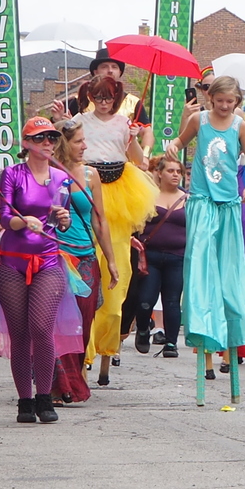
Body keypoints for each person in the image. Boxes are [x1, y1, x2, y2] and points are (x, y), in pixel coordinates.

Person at [0, 117, 84, 424]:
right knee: (19, 333)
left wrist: (63, 219)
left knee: (41, 327)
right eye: (39, 138)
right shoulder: (12, 174)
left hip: (48, 260)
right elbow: (6, 218)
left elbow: (67, 218)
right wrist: (26, 221)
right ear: (27, 144)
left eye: (51, 137)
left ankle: (45, 397)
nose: (47, 142)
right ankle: (25, 401)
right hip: (11, 261)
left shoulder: (61, 178)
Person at [175, 78, 245, 377]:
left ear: (236, 102)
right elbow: (181, 142)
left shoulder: (240, 126)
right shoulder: (200, 120)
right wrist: (172, 146)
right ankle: (202, 332)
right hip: (202, 200)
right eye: (220, 100)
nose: (224, 106)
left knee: (230, 270)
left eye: (230, 101)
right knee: (199, 265)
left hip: (228, 204)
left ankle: (231, 341)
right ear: (210, 98)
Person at [78, 73, 156, 384]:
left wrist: (134, 138)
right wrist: (59, 122)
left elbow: (140, 162)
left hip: (120, 196)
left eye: (108, 96)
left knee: (117, 277)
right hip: (87, 192)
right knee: (86, 274)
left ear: (117, 97)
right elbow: (66, 152)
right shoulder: (79, 120)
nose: (103, 101)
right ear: (89, 95)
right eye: (98, 95)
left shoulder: (125, 124)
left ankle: (107, 354)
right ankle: (82, 353)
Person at [47, 117, 111, 407]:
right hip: (54, 256)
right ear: (63, 143)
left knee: (81, 325)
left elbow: (100, 220)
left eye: (85, 140)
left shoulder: (90, 175)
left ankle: (73, 379)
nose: (85, 146)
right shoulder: (47, 173)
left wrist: (110, 259)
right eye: (78, 141)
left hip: (86, 258)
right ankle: (56, 386)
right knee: (54, 324)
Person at [136, 155, 187, 357]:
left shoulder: (187, 199)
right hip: (151, 256)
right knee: (145, 299)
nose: (175, 175)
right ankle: (142, 328)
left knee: (172, 300)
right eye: (170, 171)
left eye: (178, 172)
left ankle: (171, 342)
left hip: (177, 257)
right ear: (159, 173)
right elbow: (137, 222)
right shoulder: (149, 196)